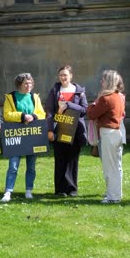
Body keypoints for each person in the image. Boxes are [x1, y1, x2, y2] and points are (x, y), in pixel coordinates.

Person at [1, 73, 45, 202]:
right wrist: (23, 116)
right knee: (13, 165)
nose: (29, 85)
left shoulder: (35, 97)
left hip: (32, 135)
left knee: (31, 165)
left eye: (31, 83)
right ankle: (8, 191)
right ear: (19, 84)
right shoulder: (10, 97)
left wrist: (34, 117)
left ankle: (28, 190)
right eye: (26, 83)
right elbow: (7, 115)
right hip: (16, 136)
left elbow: (41, 113)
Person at [45, 65, 88, 197]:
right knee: (60, 160)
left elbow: (84, 110)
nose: (63, 77)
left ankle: (72, 189)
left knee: (72, 160)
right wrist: (50, 130)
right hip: (59, 129)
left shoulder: (79, 91)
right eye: (61, 75)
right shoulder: (54, 91)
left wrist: (69, 105)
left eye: (66, 75)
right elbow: (49, 111)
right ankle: (60, 190)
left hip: (75, 130)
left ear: (71, 76)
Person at [87, 70, 125, 203]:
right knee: (116, 166)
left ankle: (113, 197)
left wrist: (93, 104)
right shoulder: (119, 96)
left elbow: (92, 114)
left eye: (103, 80)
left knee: (110, 167)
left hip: (108, 133)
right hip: (116, 132)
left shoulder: (106, 98)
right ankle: (115, 193)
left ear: (108, 81)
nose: (101, 82)